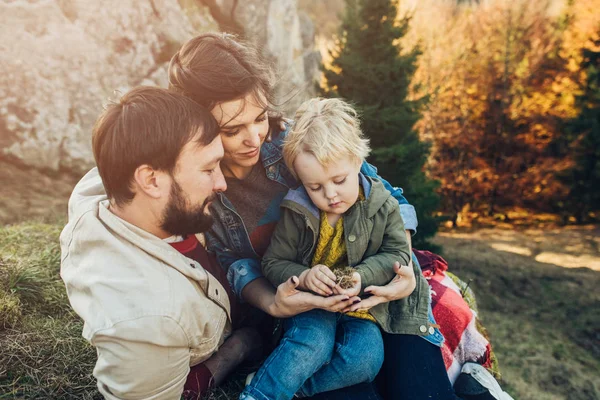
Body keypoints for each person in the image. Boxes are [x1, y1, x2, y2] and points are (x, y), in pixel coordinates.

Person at [168, 32, 461, 400]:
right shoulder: (202, 184)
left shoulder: (298, 142)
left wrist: (402, 269)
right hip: (305, 314)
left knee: (422, 391)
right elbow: (235, 262)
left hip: (381, 292)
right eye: (232, 130)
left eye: (259, 117)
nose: (254, 138)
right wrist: (272, 303)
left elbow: (387, 197)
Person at [60, 87, 306, 399]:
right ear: (151, 180)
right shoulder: (145, 320)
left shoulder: (117, 183)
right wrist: (238, 348)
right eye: (207, 169)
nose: (222, 183)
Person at [239, 97, 433, 400]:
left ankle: (291, 389)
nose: (330, 195)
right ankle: (260, 395)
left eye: (339, 180)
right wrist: (304, 276)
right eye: (314, 187)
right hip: (313, 306)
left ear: (358, 162)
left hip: (361, 309)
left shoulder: (383, 205)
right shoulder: (296, 210)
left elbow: (397, 254)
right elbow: (274, 262)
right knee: (312, 344)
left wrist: (362, 276)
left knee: (366, 360)